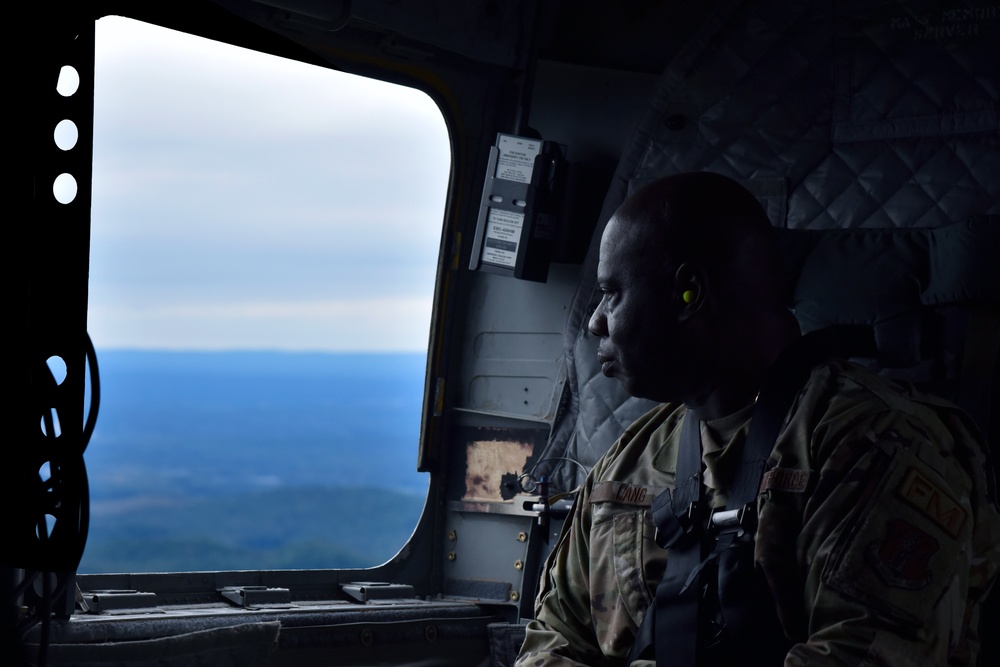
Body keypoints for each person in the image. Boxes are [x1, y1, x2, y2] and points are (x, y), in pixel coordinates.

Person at [515, 172, 1000, 666]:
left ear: (690, 293)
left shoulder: (875, 445)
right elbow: (552, 637)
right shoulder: (626, 464)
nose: (596, 320)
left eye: (611, 293)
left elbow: (864, 652)